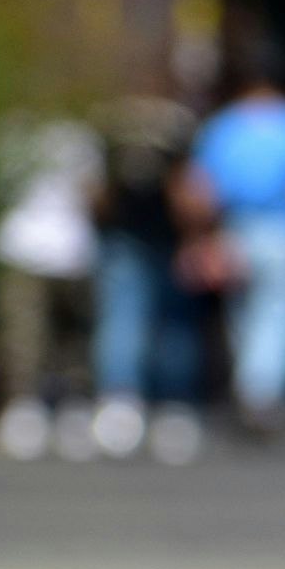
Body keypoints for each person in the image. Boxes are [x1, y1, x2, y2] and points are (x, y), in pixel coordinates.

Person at [192, 61, 285, 434]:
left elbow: (202, 190)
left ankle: (251, 387)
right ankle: (261, 392)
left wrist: (204, 238)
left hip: (236, 231)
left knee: (243, 317)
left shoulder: (224, 127)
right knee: (282, 315)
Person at [87, 90, 206, 460]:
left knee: (121, 319)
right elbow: (188, 191)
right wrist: (195, 237)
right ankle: (173, 406)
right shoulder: (177, 121)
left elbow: (96, 193)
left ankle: (120, 403)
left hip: (122, 236)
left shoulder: (109, 120)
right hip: (164, 238)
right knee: (174, 324)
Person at [0, 115, 100, 459]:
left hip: (73, 250)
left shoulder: (80, 134)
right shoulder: (14, 133)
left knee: (72, 336)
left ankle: (72, 408)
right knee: (24, 336)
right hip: (25, 247)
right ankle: (24, 407)